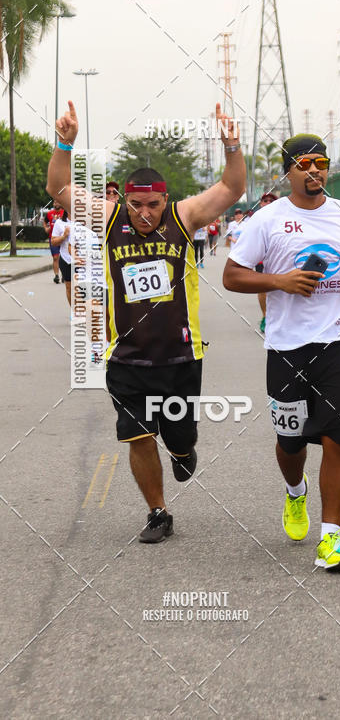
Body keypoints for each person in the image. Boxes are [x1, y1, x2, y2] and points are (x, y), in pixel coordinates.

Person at [47, 100, 245, 544]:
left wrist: (231, 145)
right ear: (126, 201)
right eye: (136, 205)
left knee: (178, 435)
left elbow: (232, 187)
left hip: (180, 356)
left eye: (153, 205)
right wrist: (65, 144)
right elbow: (59, 189)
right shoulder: (109, 217)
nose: (144, 214)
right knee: (137, 435)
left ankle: (183, 449)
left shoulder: (184, 216)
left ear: (165, 200)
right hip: (127, 358)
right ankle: (158, 512)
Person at [223, 134, 340, 572]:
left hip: (338, 342)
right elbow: (232, 276)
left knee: (337, 440)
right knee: (290, 444)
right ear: (287, 171)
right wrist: (281, 281)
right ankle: (295, 492)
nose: (313, 171)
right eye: (304, 164)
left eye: (320, 163)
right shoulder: (267, 219)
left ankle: (332, 540)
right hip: (287, 347)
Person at [256, 191, 278, 333]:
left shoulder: (284, 218)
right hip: (261, 259)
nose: (268, 203)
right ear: (261, 204)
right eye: (265, 200)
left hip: (279, 259)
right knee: (262, 288)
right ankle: (265, 316)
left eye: (272, 201)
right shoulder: (255, 220)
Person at [51, 210, 72, 306]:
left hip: (83, 260)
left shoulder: (85, 221)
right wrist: (64, 236)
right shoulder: (60, 223)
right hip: (66, 259)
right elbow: (53, 242)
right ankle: (74, 311)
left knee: (83, 289)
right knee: (69, 288)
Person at [43, 200, 65, 283]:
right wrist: (46, 228)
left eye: (58, 202)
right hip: (53, 238)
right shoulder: (49, 213)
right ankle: (56, 275)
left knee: (63, 257)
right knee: (55, 257)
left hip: (63, 238)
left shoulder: (65, 213)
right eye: (55, 202)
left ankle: (64, 275)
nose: (56, 204)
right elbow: (45, 222)